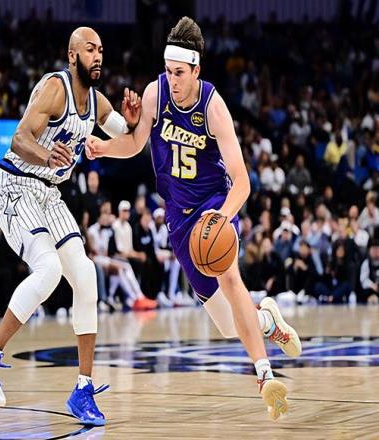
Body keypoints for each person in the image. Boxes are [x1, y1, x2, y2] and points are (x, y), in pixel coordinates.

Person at [86, 17, 302, 420]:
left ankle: (264, 375)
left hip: (215, 204)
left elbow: (242, 182)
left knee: (231, 279)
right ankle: (267, 321)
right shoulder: (155, 93)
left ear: (196, 70)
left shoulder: (213, 106)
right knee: (226, 325)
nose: (173, 79)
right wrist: (103, 147)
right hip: (179, 220)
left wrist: (222, 217)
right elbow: (135, 143)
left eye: (179, 73)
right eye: (168, 71)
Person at [0, 27, 140, 426]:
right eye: (90, 49)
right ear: (72, 55)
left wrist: (133, 124)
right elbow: (19, 139)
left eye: (101, 50)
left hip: (49, 193)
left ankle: (82, 389)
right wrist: (46, 157)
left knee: (86, 276)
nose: (98, 56)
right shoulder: (53, 88)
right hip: (16, 183)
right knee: (48, 270)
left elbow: (128, 138)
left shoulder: (97, 104)